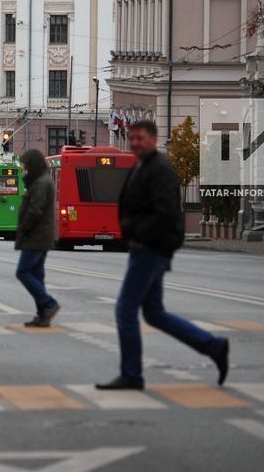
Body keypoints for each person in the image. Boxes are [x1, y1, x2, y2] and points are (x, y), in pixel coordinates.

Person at [97, 120, 230, 390]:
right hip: (147, 247)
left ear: (154, 140)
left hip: (149, 248)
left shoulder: (160, 169)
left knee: (125, 309)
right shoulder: (142, 165)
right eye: (132, 138)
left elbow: (166, 213)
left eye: (140, 138)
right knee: (154, 313)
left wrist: (138, 237)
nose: (134, 143)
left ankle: (132, 374)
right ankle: (213, 346)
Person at [15, 149, 61, 327]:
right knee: (36, 275)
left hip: (36, 236)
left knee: (23, 272)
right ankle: (43, 313)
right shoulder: (40, 181)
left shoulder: (41, 184)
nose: (25, 170)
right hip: (40, 236)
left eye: (26, 166)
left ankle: (48, 303)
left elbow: (35, 210)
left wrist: (24, 228)